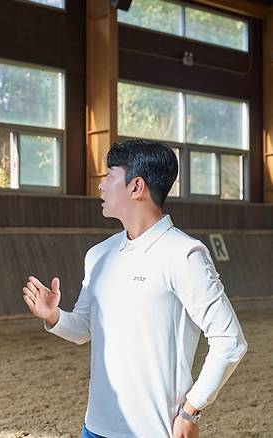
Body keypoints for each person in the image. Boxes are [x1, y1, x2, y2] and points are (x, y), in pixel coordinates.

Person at [22, 140, 247, 438]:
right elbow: (84, 329)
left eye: (109, 176)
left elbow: (230, 341)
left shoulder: (184, 254)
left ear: (136, 186)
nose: (101, 186)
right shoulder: (98, 255)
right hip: (94, 428)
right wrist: (53, 316)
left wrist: (191, 410)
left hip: (154, 430)